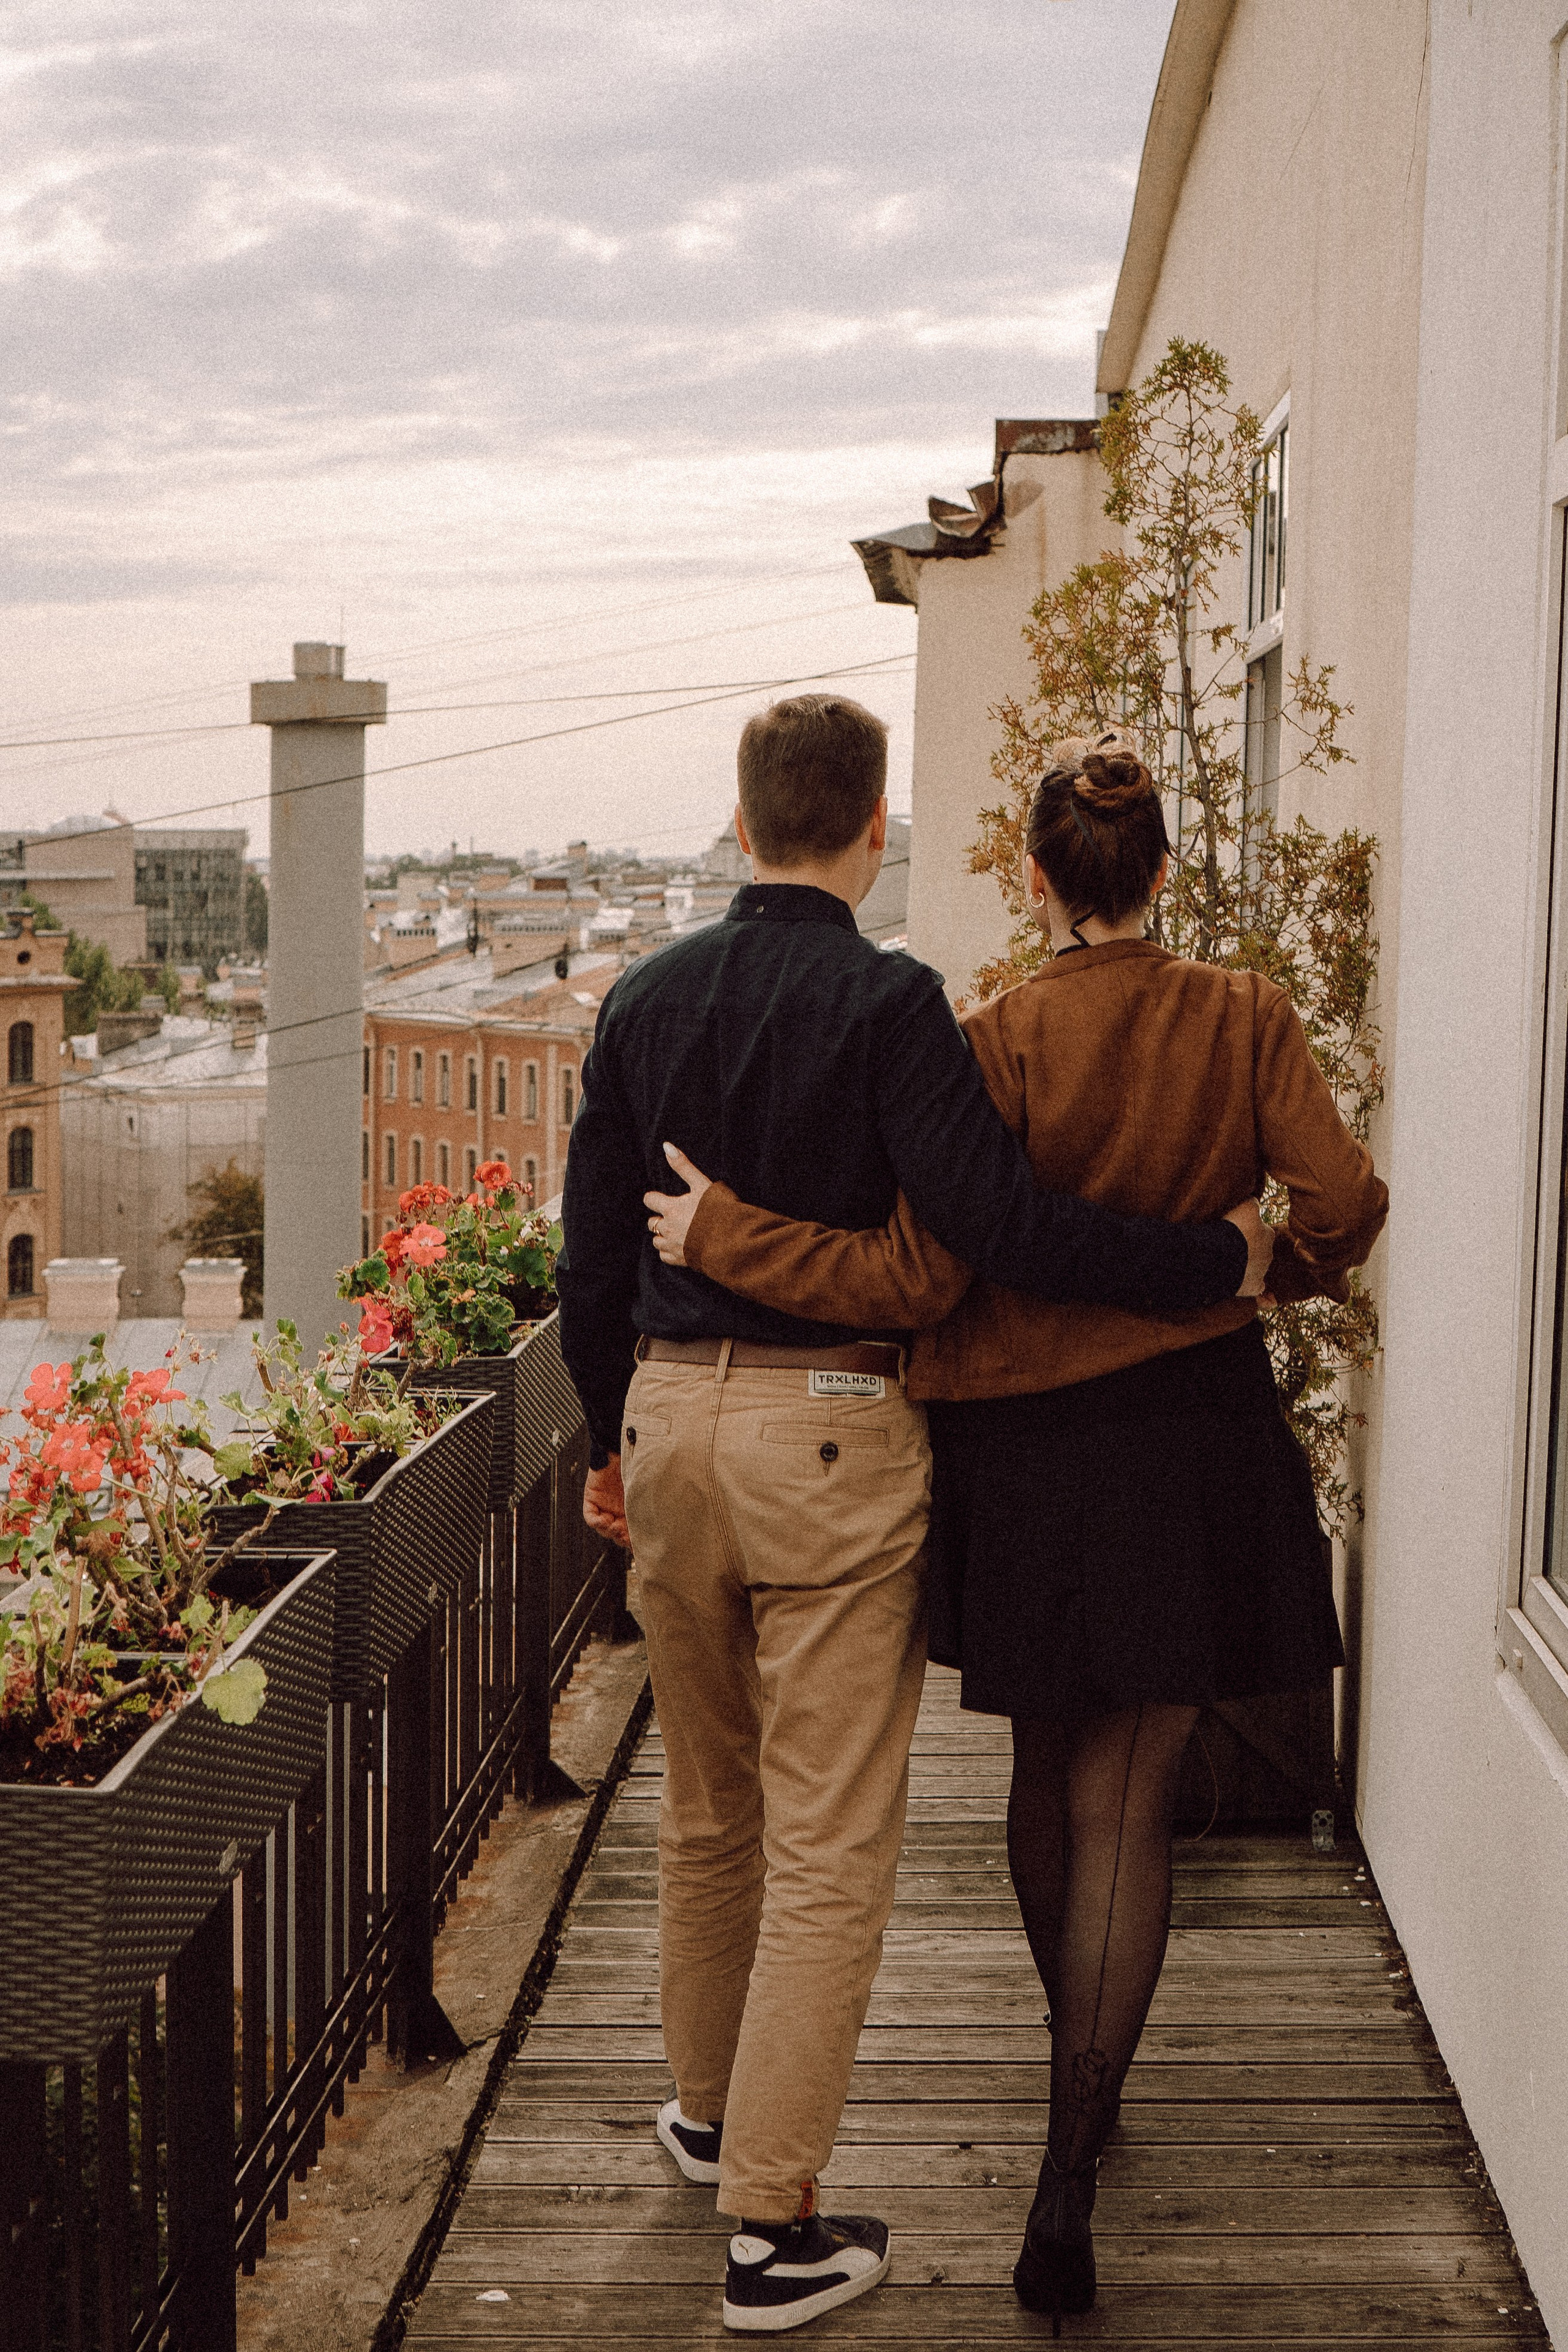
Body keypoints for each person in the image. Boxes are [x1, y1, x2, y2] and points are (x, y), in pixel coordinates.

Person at [643, 734, 1387, 2332]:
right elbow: (1343, 1200)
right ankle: (1074, 2135)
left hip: (1035, 1462)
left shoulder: (991, 1040)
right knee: (1135, 1798)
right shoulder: (1246, 1016)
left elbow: (921, 1273)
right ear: (1166, 875)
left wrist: (727, 1235)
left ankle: (1076, 2094)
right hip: (1195, 1451)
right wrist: (1263, 1267)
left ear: (1034, 880)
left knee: (1054, 1783)